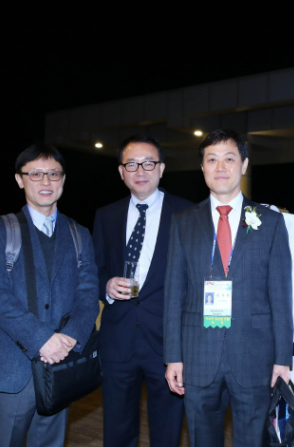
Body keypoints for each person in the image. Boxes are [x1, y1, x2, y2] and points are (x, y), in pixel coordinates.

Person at [164, 129, 293, 447]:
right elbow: (174, 294)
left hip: (254, 356)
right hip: (197, 355)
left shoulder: (269, 221)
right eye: (212, 160)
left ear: (244, 165)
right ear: (202, 167)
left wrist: (283, 359)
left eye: (229, 159)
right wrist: (173, 357)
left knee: (253, 440)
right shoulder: (183, 221)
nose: (220, 167)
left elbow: (280, 296)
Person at [0, 143, 100, 447]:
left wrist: (70, 339)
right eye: (35, 174)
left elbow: (88, 294)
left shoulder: (79, 233)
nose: (46, 181)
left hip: (61, 364)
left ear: (63, 179)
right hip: (13, 365)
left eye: (53, 174)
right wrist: (42, 339)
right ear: (20, 180)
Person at [93, 135, 192, 447]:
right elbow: (94, 269)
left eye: (148, 163)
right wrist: (106, 286)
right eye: (132, 164)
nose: (140, 171)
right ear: (121, 172)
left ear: (161, 169)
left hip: (168, 344)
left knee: (167, 429)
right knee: (117, 428)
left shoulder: (188, 214)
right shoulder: (106, 215)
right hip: (118, 339)